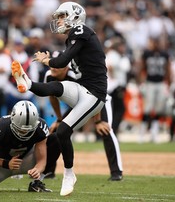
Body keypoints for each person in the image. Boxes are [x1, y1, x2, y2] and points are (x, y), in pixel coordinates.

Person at [11, 1, 107, 196]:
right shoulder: (74, 36)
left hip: (95, 94)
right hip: (83, 88)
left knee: (63, 132)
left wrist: (47, 60)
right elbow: (62, 62)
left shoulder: (81, 31)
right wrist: (50, 61)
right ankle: (27, 84)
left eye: (63, 16)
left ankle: (69, 173)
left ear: (75, 16)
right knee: (55, 87)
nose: (59, 20)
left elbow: (62, 61)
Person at [44, 51, 123, 181]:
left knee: (106, 130)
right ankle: (48, 171)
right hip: (78, 104)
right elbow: (52, 97)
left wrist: (98, 122)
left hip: (99, 100)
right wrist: (59, 119)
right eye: (52, 63)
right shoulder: (49, 76)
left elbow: (93, 96)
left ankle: (116, 172)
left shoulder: (76, 76)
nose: (53, 67)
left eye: (57, 65)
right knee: (57, 131)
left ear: (66, 66)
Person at [0, 100, 54, 192]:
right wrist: (6, 164)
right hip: (2, 164)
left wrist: (37, 169)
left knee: (54, 139)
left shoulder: (40, 127)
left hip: (26, 161)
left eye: (29, 130)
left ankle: (37, 183)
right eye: (21, 130)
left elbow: (42, 160)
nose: (25, 133)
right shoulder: (0, 128)